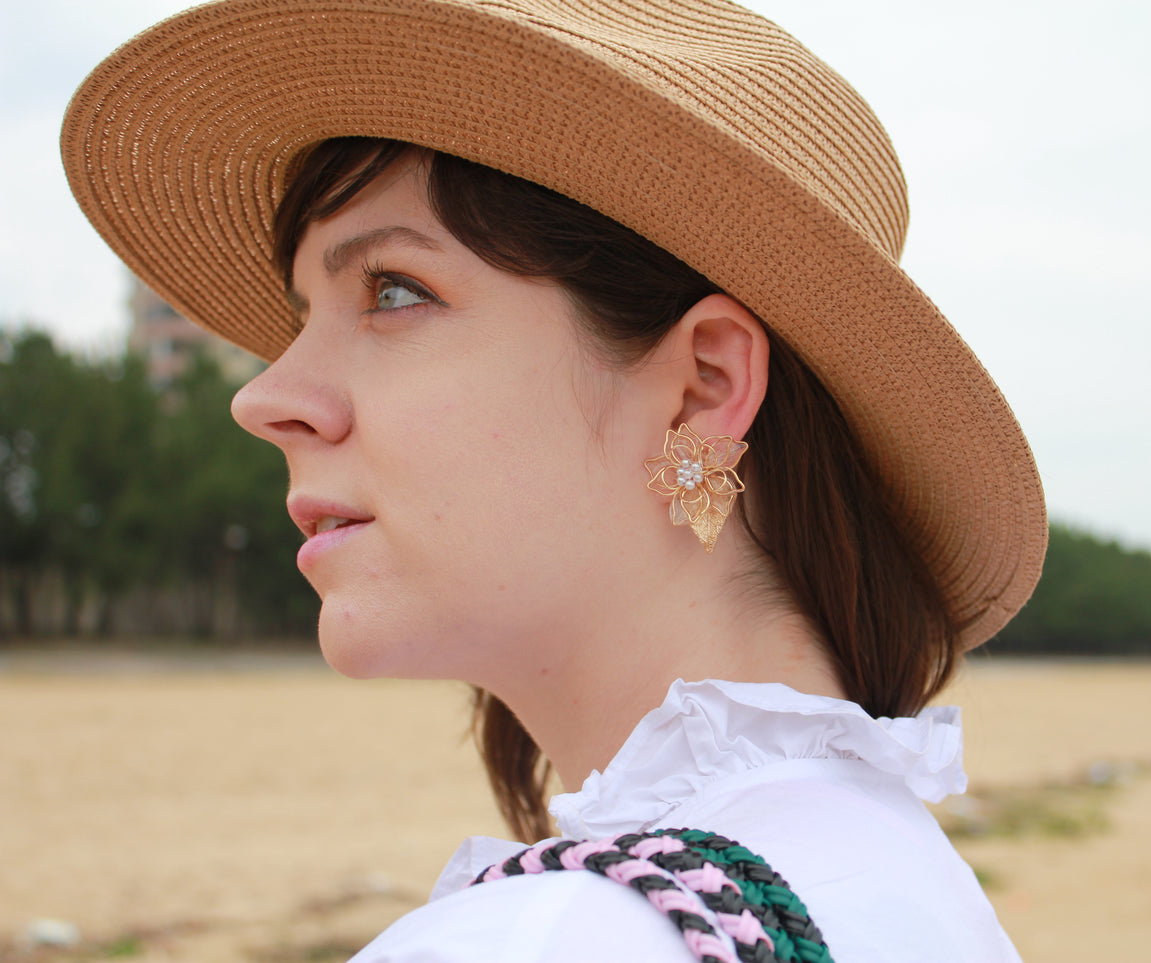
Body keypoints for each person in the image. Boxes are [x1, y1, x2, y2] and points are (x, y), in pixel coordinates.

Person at [63, 0, 1047, 959]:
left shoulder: (547, 937)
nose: (266, 397)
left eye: (393, 291)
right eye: (300, 319)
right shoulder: (917, 888)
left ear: (702, 386)